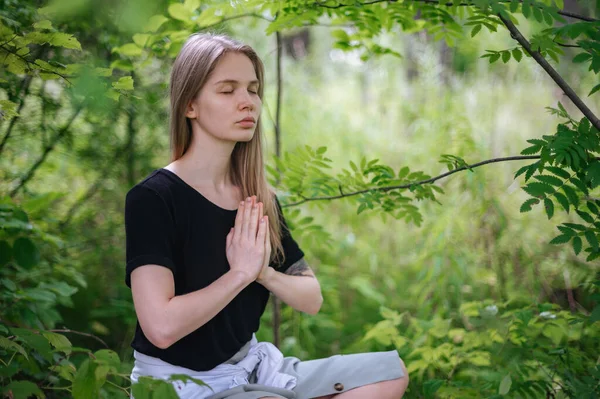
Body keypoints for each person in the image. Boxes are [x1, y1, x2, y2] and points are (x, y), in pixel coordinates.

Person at [124, 32, 409, 399]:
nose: (247, 103)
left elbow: (311, 298)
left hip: (253, 369)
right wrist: (239, 274)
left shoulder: (258, 198)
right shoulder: (154, 198)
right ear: (190, 105)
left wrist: (264, 273)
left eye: (253, 90)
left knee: (389, 373)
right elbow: (160, 327)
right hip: (182, 386)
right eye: (228, 91)